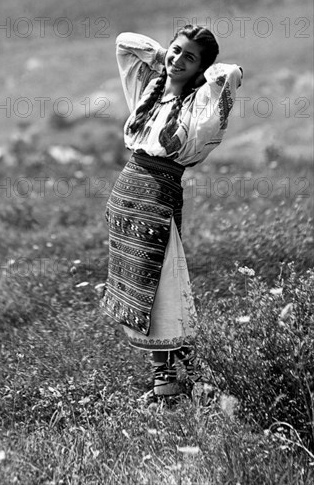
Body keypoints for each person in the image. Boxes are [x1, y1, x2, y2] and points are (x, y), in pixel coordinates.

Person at [100, 25, 243, 398]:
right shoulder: (148, 91)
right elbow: (125, 43)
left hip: (159, 195)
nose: (178, 59)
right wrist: (167, 58)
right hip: (126, 198)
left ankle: (181, 376)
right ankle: (173, 375)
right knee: (135, 285)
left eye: (189, 57)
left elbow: (228, 73)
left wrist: (197, 72)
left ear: (200, 68)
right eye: (176, 51)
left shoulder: (199, 107)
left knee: (163, 283)